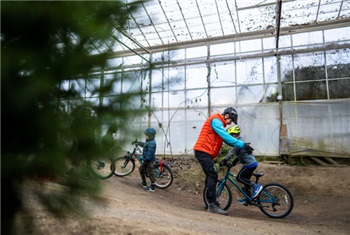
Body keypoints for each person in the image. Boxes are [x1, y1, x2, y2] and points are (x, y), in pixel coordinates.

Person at [193, 107, 253, 215]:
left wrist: (242, 146)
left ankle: (209, 202)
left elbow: (226, 140)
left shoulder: (219, 125)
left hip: (205, 152)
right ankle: (212, 205)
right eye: (231, 120)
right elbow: (225, 136)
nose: (230, 123)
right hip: (202, 151)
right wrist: (241, 144)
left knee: (210, 175)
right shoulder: (216, 120)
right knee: (213, 175)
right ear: (226, 115)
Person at [220, 125, 262, 206]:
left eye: (230, 136)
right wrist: (233, 163)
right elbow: (239, 155)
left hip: (249, 164)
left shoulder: (237, 143)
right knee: (245, 181)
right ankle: (248, 199)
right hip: (251, 164)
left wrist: (224, 160)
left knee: (239, 178)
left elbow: (232, 153)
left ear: (234, 135)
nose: (229, 139)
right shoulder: (240, 143)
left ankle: (256, 187)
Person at [137, 127, 157, 192]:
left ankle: (153, 187)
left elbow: (150, 153)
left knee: (151, 172)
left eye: (146, 135)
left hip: (149, 160)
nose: (145, 136)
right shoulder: (149, 141)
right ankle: (144, 183)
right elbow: (144, 145)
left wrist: (146, 160)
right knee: (141, 169)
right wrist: (138, 142)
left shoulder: (152, 143)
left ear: (150, 135)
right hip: (146, 159)